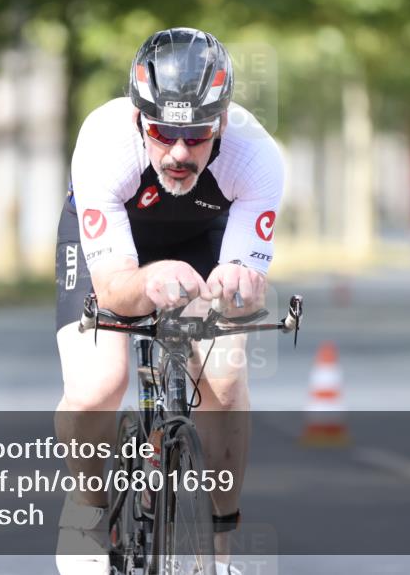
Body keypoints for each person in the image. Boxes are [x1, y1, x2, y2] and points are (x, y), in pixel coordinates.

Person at [54, 28, 284, 575]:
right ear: (139, 119)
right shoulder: (103, 143)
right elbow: (113, 288)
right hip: (114, 250)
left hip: (204, 239)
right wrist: (153, 279)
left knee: (225, 380)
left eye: (198, 134)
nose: (179, 153)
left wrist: (241, 286)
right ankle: (86, 514)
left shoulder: (257, 158)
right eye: (162, 132)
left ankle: (222, 550)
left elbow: (243, 280)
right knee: (98, 386)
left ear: (222, 122)